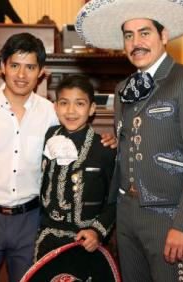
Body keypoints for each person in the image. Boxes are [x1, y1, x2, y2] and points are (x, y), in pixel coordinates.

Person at [0, 32, 115, 282]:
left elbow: (79, 130)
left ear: (41, 72)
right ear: (2, 66)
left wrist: (107, 140)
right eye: (15, 65)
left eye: (30, 67)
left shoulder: (51, 112)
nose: (21, 74)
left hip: (31, 220)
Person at [75, 0, 183, 281]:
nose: (136, 42)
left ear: (163, 37)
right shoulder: (122, 90)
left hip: (168, 217)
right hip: (126, 215)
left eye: (144, 33)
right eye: (129, 35)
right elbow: (134, 142)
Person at [34, 75, 117, 261]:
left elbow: (116, 199)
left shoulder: (104, 148)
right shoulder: (49, 136)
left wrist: (97, 231)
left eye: (79, 104)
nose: (71, 111)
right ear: (55, 107)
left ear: (92, 109)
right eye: (64, 103)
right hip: (47, 239)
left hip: (85, 240)